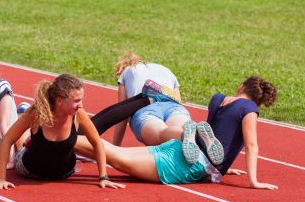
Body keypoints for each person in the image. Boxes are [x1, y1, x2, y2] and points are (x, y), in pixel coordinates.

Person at [75, 76, 278, 190]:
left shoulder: (218, 99)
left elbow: (214, 134)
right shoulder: (249, 110)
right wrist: (254, 181)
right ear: (259, 100)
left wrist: (224, 166)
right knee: (117, 158)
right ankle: (62, 140)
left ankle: (64, 140)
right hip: (193, 163)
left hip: (181, 146)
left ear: (241, 86)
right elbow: (251, 145)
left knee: (117, 152)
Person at [0, 74, 126, 190]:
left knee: (33, 140)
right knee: (21, 141)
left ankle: (28, 136)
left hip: (64, 173)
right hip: (30, 171)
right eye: (76, 100)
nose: (81, 105)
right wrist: (0, 179)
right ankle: (22, 114)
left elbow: (97, 142)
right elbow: (7, 139)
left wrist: (104, 177)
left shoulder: (78, 114)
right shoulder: (36, 114)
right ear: (59, 100)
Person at [112, 51, 191, 146]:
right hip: (173, 106)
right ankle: (190, 131)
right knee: (181, 125)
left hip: (146, 108)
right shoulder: (166, 70)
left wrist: (115, 147)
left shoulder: (126, 72)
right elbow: (178, 102)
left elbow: (122, 113)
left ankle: (181, 134)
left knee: (161, 135)